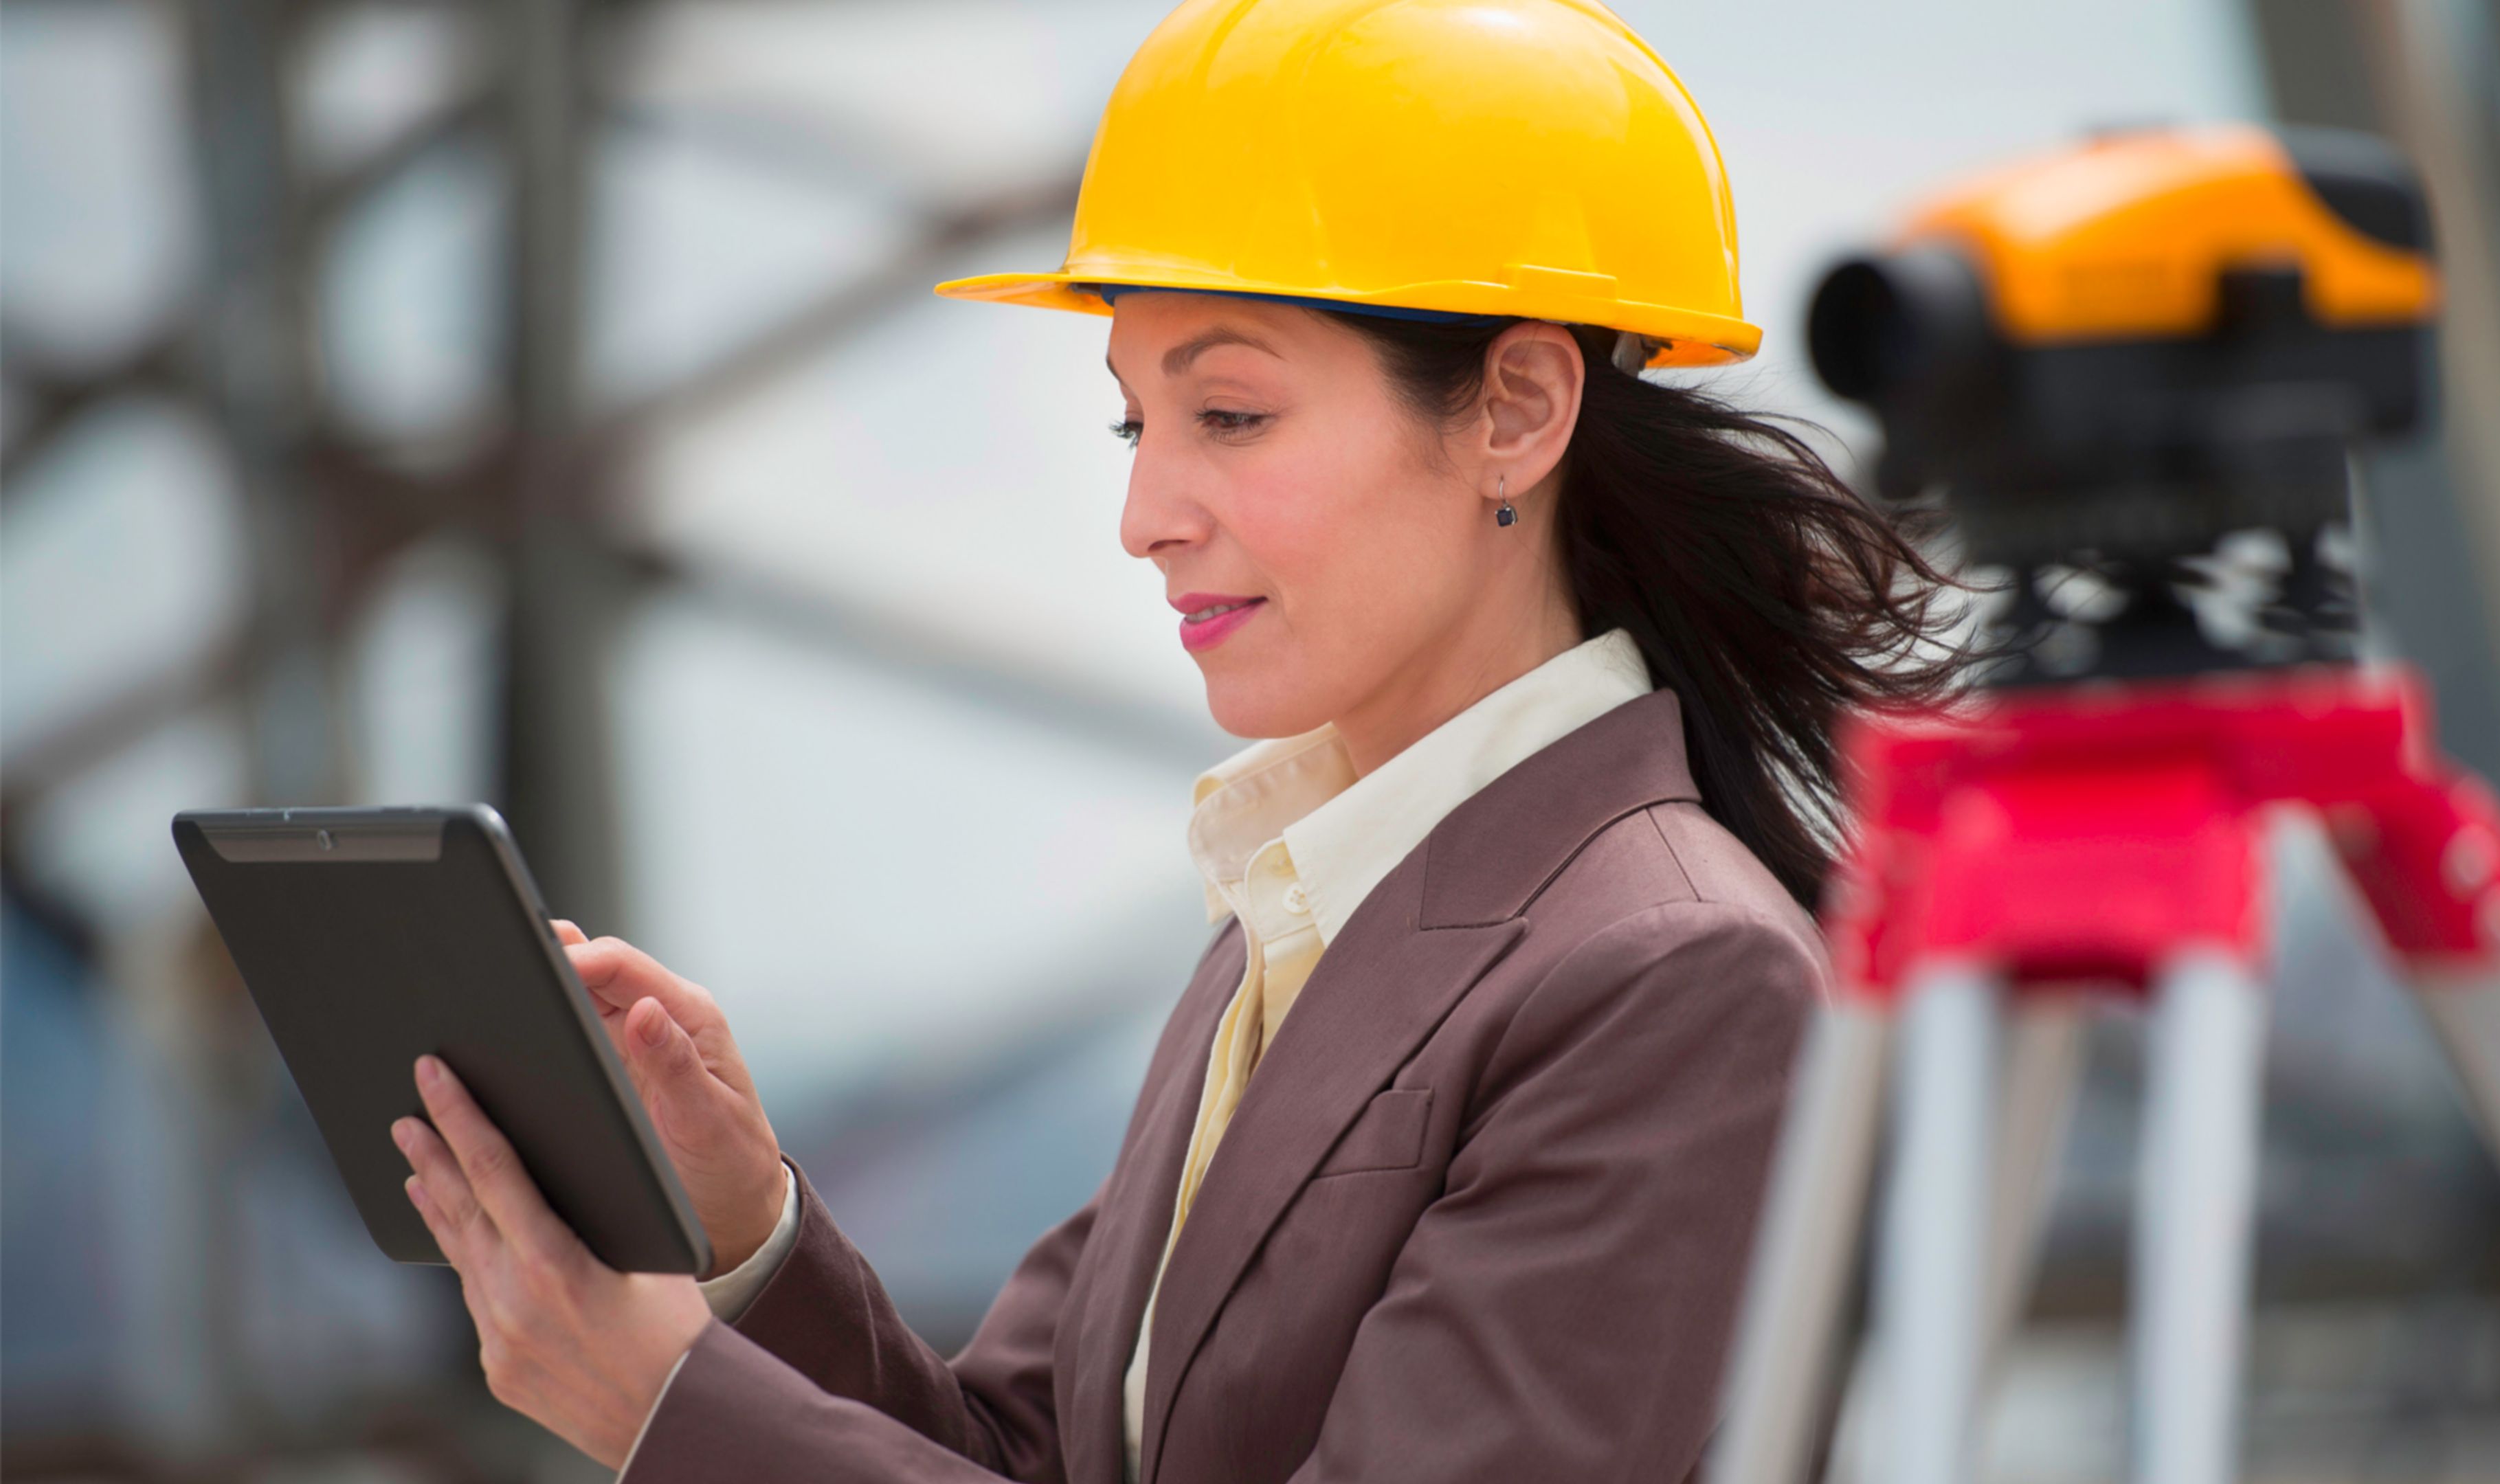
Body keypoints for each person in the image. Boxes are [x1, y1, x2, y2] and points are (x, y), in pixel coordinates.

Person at [386, 1, 1967, 1479]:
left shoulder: (1673, 977)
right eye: (1138, 422)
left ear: (1517, 411)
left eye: (1233, 415)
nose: (1147, 517)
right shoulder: (1302, 914)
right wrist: (748, 1233)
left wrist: (677, 1413)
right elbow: (1038, 1451)